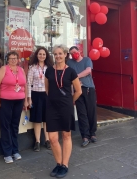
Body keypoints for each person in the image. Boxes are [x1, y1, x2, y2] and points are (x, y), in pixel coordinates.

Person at [45, 45, 82, 178]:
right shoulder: (49, 71)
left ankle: (65, 165)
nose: (58, 56)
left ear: (65, 54)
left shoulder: (71, 71)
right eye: (55, 54)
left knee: (66, 136)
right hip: (51, 107)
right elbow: (47, 89)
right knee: (53, 138)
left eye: (60, 53)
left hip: (66, 107)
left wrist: (70, 101)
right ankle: (58, 163)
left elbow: (79, 91)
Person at [0, 51, 28, 164]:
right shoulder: (4, 69)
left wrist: (26, 100)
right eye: (11, 58)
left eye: (15, 58)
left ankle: (15, 150)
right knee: (6, 126)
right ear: (7, 59)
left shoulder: (21, 70)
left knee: (14, 126)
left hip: (19, 101)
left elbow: (25, 85)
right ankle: (7, 153)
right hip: (5, 101)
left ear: (18, 59)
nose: (13, 60)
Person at [67, 46, 98, 147]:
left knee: (91, 111)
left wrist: (76, 77)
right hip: (77, 91)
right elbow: (68, 75)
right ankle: (85, 136)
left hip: (89, 89)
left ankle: (92, 133)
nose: (73, 55)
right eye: (71, 53)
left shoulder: (87, 60)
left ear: (79, 51)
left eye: (75, 52)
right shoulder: (70, 63)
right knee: (81, 113)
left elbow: (88, 71)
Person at [27, 47, 53, 152]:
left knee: (46, 119)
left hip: (47, 95)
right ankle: (37, 141)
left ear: (46, 56)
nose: (42, 56)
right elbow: (28, 83)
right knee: (37, 119)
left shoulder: (50, 68)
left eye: (44, 54)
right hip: (36, 95)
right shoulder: (32, 67)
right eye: (40, 54)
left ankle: (47, 140)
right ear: (36, 55)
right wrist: (29, 98)